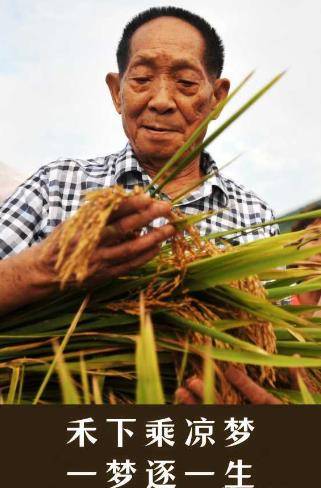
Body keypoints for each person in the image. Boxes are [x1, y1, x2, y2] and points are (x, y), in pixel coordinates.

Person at [0, 6, 278, 315]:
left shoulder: (256, 218)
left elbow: (279, 340)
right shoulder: (56, 186)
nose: (160, 101)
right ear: (116, 92)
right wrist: (47, 267)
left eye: (185, 82)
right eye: (142, 78)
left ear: (216, 98)